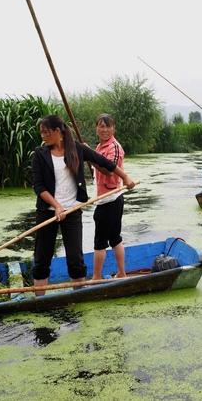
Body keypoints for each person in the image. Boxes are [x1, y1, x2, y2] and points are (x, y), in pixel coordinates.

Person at [32, 115, 135, 294]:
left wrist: (124, 177)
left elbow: (105, 163)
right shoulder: (39, 155)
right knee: (42, 258)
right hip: (47, 211)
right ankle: (40, 299)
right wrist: (56, 206)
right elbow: (39, 186)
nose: (43, 135)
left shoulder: (76, 150)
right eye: (41, 132)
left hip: (72, 210)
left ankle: (78, 295)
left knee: (75, 259)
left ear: (58, 132)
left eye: (46, 132)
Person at [91, 114, 129, 280]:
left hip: (111, 198)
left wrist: (89, 156)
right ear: (96, 128)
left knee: (102, 240)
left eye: (107, 126)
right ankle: (121, 273)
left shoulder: (114, 147)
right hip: (103, 198)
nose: (104, 129)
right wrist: (90, 153)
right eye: (101, 126)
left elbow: (108, 169)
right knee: (114, 237)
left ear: (113, 128)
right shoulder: (100, 146)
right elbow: (97, 165)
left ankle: (97, 277)